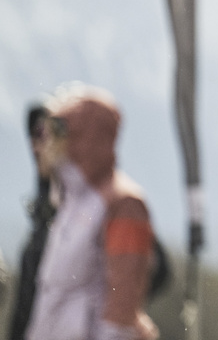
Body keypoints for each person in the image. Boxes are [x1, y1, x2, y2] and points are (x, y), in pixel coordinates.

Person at [24, 84, 159, 340]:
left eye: (57, 130)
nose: (45, 141)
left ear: (84, 138)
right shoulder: (70, 201)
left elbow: (123, 300)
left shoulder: (124, 204)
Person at [8, 103, 58, 340]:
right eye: (36, 134)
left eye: (49, 134)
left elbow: (155, 266)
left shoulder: (94, 205)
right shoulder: (43, 210)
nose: (37, 145)